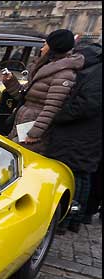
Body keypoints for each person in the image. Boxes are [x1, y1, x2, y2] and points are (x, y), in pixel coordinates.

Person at [43, 42, 101, 233]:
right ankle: (73, 218)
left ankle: (68, 219)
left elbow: (86, 104)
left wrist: (59, 116)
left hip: (80, 133)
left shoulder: (96, 74)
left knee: (76, 174)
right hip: (85, 133)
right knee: (80, 173)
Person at [2, 29, 84, 155]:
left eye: (45, 44)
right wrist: (11, 82)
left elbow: (52, 108)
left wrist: (35, 133)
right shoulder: (48, 66)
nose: (42, 48)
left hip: (33, 126)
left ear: (54, 47)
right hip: (25, 121)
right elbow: (26, 96)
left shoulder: (64, 73)